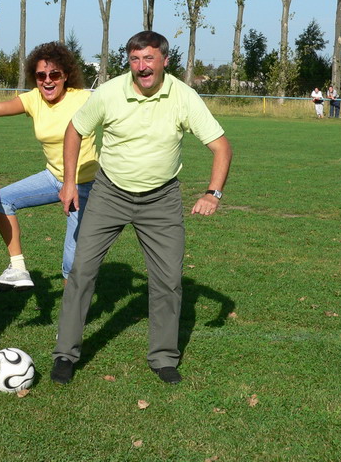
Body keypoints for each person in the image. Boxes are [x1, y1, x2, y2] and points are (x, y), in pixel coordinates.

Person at [50, 31, 232, 386]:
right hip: (109, 193)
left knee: (168, 279)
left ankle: (163, 358)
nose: (141, 67)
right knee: (82, 270)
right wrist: (70, 182)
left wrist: (213, 193)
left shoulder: (183, 96)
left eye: (148, 59)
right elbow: (75, 130)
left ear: (164, 60)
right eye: (135, 59)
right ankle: (65, 355)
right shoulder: (110, 92)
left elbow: (221, 147)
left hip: (161, 199)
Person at [0, 42, 98, 290]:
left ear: (66, 75)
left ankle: (72, 321)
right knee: (1, 199)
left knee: (72, 264)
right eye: (41, 75)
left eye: (54, 75)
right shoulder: (34, 99)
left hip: (85, 185)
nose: (47, 81)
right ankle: (17, 268)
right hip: (53, 178)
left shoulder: (84, 98)